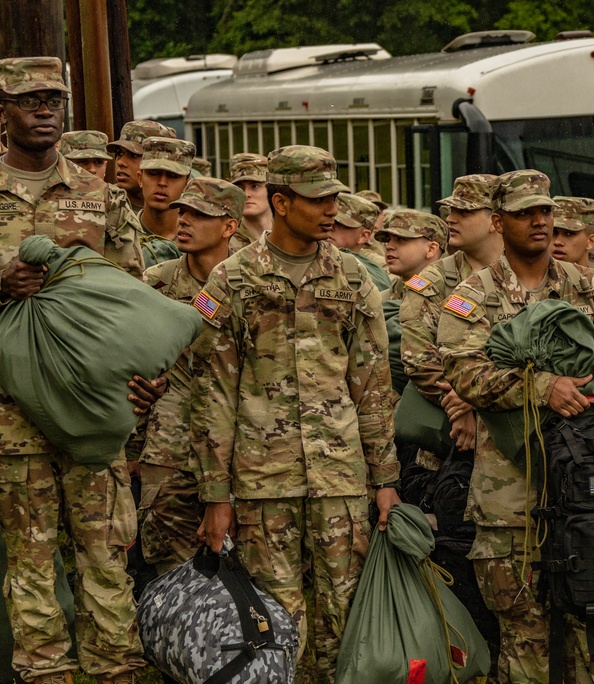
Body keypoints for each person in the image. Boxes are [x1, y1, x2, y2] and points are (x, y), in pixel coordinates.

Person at [438, 169, 594, 683]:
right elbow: (463, 369)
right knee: (526, 650)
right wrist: (542, 387)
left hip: (593, 494)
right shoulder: (474, 296)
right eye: (524, 213)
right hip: (513, 501)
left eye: (545, 212)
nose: (540, 222)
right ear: (498, 221)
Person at [191, 145, 400, 678]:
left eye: (334, 197)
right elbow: (213, 393)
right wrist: (216, 496)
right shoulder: (233, 281)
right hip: (264, 485)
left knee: (346, 620)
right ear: (280, 203)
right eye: (317, 199)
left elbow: (373, 387)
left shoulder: (354, 279)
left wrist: (385, 479)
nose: (331, 209)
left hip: (341, 482)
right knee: (277, 624)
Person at [0, 56, 162, 684]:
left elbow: (133, 296)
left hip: (94, 413)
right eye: (29, 99)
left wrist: (144, 377)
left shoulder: (101, 198)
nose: (45, 109)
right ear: (4, 111)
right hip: (14, 418)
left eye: (54, 98)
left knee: (104, 558)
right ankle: (45, 675)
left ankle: (113, 672)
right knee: (31, 561)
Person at [140, 177, 245, 576]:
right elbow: (135, 368)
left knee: (248, 569)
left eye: (199, 215)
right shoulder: (157, 283)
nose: (183, 221)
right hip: (170, 448)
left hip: (241, 446)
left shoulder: (250, 280)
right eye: (182, 212)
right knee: (168, 568)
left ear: (229, 226)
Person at [400, 174, 500, 467]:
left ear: (497, 219)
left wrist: (474, 400)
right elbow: (418, 357)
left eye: (465, 211)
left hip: (520, 437)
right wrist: (460, 406)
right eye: (450, 211)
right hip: (451, 445)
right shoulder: (434, 279)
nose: (451, 219)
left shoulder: (525, 275)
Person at [136, 137, 195, 267]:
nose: (162, 182)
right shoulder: (120, 235)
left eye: (173, 176)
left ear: (187, 184)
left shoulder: (196, 242)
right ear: (140, 179)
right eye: (154, 173)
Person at [374, 209, 447, 302]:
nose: (389, 246)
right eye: (389, 240)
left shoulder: (452, 296)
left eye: (400, 239)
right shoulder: (380, 300)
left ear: (431, 249)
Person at [107, 119, 176, 212]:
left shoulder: (185, 212)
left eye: (133, 155)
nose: (120, 162)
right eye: (119, 153)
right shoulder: (105, 204)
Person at [328, 192, 392, 291]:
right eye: (328, 219)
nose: (329, 226)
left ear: (363, 236)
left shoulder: (374, 274)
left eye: (339, 224)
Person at [227, 152, 271, 252]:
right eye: (240, 187)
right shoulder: (225, 239)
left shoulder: (288, 235)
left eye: (255, 186)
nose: (246, 194)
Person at [551, 195, 594, 267]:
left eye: (568, 234)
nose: (557, 242)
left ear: (590, 241)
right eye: (553, 233)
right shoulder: (532, 277)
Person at [355, 188, 388, 266]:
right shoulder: (353, 240)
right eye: (366, 213)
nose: (372, 218)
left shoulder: (389, 240)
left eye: (376, 213)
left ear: (384, 216)